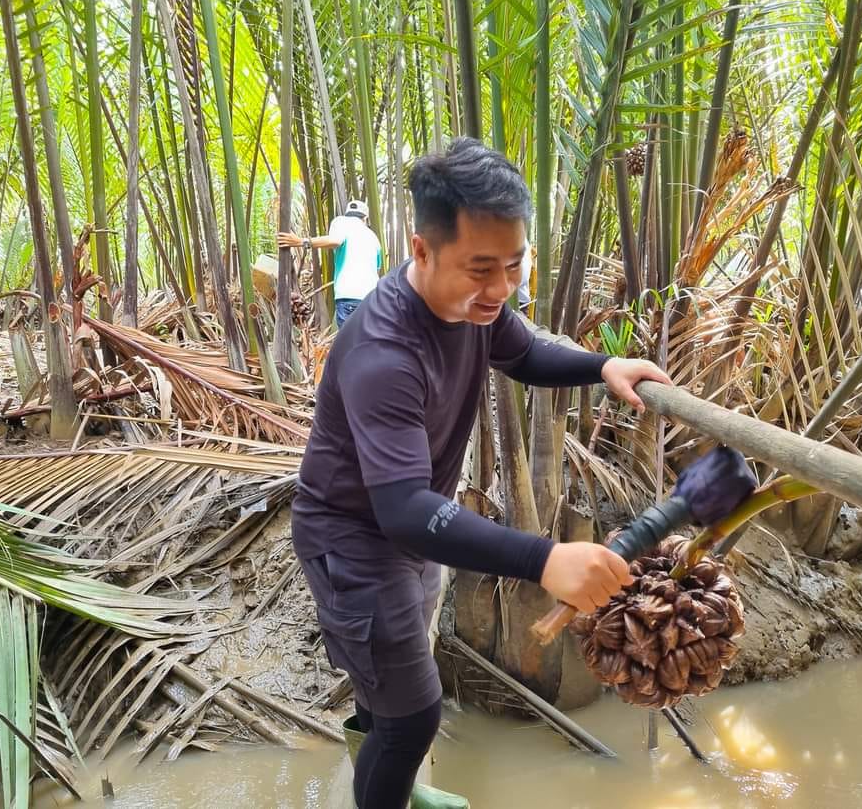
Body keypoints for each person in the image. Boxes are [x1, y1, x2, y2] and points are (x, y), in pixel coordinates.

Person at [291, 138, 672, 809]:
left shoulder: (475, 307)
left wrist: (601, 367)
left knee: (389, 688)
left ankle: (395, 786)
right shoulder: (385, 352)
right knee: (413, 717)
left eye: (515, 264)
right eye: (480, 268)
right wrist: (546, 559)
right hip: (355, 540)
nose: (500, 288)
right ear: (421, 251)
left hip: (415, 533)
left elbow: (526, 356)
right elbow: (405, 508)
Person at [278, 199, 382, 328]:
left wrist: (301, 241)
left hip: (349, 296)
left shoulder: (341, 221)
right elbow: (376, 269)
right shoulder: (374, 237)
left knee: (349, 345)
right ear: (365, 218)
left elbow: (336, 240)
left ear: (347, 214)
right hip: (373, 299)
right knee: (368, 343)